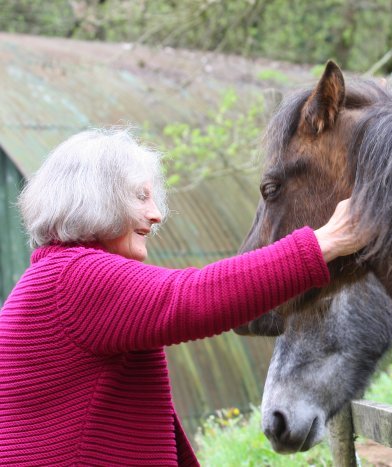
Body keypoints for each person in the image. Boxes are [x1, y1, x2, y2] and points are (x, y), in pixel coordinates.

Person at [0, 129, 366, 466]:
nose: (156, 214)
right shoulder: (77, 277)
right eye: (141, 197)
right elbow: (192, 297)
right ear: (96, 200)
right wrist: (325, 243)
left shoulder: (53, 277)